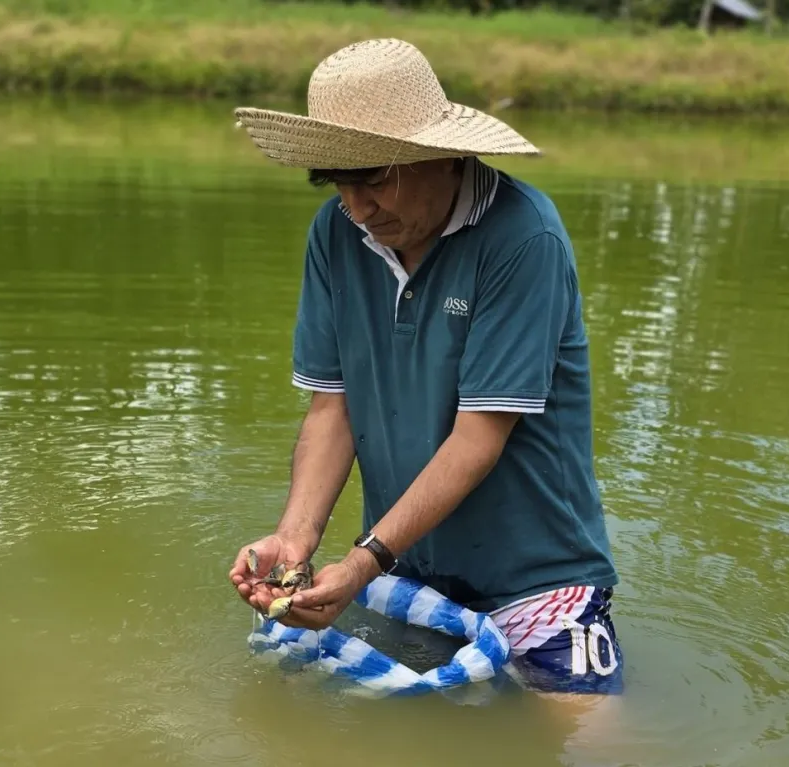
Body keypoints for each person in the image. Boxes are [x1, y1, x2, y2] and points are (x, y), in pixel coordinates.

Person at [228, 38, 624, 699]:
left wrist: (361, 563)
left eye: (374, 178)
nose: (357, 207)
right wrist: (295, 540)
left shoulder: (522, 237)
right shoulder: (336, 234)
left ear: (441, 155)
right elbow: (333, 407)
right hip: (407, 568)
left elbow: (477, 438)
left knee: (588, 734)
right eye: (337, 182)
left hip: (534, 576)